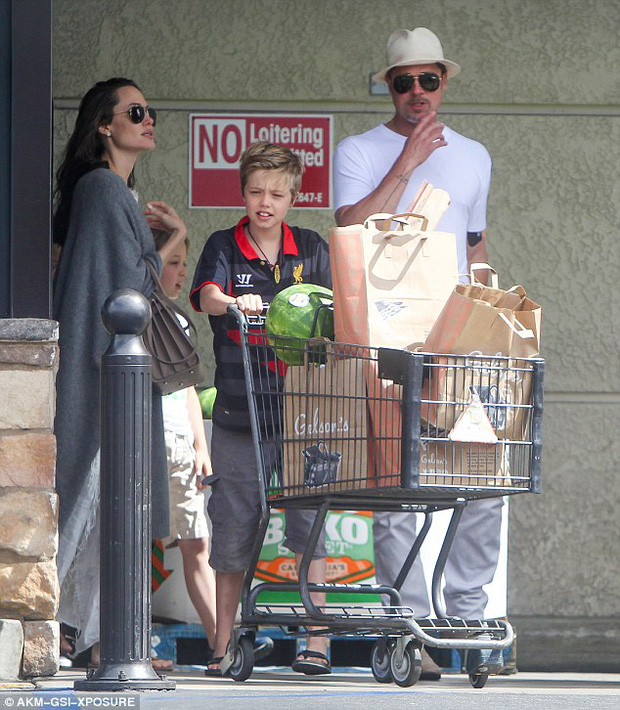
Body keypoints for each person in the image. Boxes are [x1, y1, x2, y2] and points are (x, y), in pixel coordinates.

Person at [333, 27, 504, 679]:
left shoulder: (474, 157)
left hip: (459, 336)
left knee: (485, 478)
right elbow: (349, 229)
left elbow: (476, 245)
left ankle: (466, 617)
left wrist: (489, 311)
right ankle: (411, 630)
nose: (416, 93)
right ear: (388, 86)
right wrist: (406, 165)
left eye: (428, 80)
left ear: (444, 81)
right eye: (402, 82)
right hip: (388, 335)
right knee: (396, 485)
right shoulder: (360, 150)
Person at [53, 77, 187, 668]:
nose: (148, 118)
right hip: (108, 367)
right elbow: (127, 291)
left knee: (109, 495)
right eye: (135, 111)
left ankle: (94, 636)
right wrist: (174, 239)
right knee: (96, 489)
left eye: (150, 110)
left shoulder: (111, 192)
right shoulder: (105, 188)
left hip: (108, 364)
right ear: (105, 125)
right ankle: (59, 626)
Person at [190, 141, 333, 676]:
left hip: (303, 415)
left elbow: (336, 314)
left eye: (276, 193)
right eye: (255, 192)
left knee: (308, 525)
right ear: (243, 194)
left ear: (294, 197)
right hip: (239, 414)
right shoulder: (225, 244)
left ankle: (315, 640)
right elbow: (205, 296)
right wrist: (233, 301)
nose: (265, 203)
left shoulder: (312, 248)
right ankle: (224, 645)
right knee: (232, 527)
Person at [152, 229, 217, 656]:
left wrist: (201, 447)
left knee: (198, 544)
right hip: (148, 440)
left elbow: (190, 388)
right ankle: (131, 642)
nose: (180, 272)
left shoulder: (179, 320)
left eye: (183, 262)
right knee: (142, 543)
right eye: (171, 262)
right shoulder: (137, 314)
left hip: (181, 442)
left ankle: (222, 642)